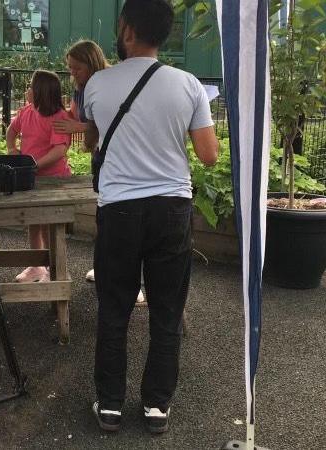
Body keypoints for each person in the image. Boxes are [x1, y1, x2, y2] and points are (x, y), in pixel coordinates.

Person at [84, 0, 218, 435]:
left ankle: (110, 404)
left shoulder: (97, 84)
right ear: (164, 33)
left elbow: (92, 143)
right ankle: (157, 405)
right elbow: (208, 155)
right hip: (171, 209)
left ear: (126, 30)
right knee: (166, 309)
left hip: (118, 208)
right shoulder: (190, 84)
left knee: (114, 307)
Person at [52, 40, 111, 285]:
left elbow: (110, 120)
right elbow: (72, 114)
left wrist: (80, 126)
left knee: (114, 217)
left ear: (92, 62)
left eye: (77, 68)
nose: (72, 73)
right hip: (99, 155)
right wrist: (41, 108)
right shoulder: (81, 86)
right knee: (103, 214)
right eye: (70, 68)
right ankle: (104, 267)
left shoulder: (108, 83)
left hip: (114, 157)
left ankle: (121, 276)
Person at [6, 70, 73, 283]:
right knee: (34, 223)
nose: (27, 90)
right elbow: (10, 131)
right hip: (32, 180)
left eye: (31, 86)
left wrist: (32, 165)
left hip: (55, 181)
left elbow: (59, 150)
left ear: (41, 92)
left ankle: (55, 268)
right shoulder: (26, 111)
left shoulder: (59, 117)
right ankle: (36, 266)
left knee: (52, 225)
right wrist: (11, 149)